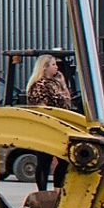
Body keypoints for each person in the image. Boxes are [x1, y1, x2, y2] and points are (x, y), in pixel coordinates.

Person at [25, 53, 75, 192]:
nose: (57, 67)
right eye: (53, 64)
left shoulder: (58, 82)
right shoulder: (39, 85)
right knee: (44, 160)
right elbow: (41, 107)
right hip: (46, 126)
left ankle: (58, 187)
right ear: (45, 67)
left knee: (64, 159)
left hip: (61, 125)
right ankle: (42, 191)